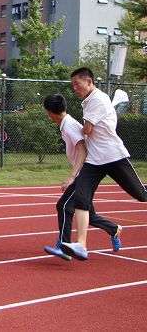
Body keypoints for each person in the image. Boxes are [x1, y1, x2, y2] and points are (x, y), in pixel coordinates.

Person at [61, 68, 147, 260]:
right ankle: (81, 245)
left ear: (89, 81)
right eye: (72, 84)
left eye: (77, 84)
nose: (74, 88)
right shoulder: (89, 101)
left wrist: (77, 128)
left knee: (141, 195)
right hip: (94, 160)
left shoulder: (98, 100)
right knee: (82, 199)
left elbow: (87, 130)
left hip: (113, 156)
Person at [41, 94, 120, 261]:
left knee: (63, 206)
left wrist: (72, 176)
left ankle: (64, 245)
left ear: (49, 112)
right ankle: (113, 229)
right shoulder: (67, 123)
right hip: (86, 172)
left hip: (85, 173)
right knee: (87, 213)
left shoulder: (68, 125)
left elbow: (82, 150)